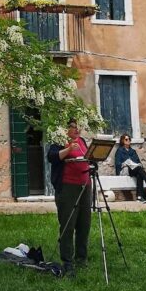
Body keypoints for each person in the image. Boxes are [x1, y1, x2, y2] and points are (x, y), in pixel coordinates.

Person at [46, 118, 91, 275]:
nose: (76, 129)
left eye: (77, 126)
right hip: (67, 187)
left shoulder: (83, 141)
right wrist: (68, 149)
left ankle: (82, 259)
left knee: (84, 224)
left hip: (85, 186)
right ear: (64, 129)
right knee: (68, 224)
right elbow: (52, 157)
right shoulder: (59, 141)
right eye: (72, 127)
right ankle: (67, 262)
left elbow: (89, 158)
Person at [114, 133, 146, 203]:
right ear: (122, 141)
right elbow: (118, 164)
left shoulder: (133, 151)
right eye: (126, 139)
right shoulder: (120, 150)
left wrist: (139, 164)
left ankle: (139, 197)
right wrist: (125, 163)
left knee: (139, 172)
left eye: (129, 139)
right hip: (125, 170)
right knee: (139, 169)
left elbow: (138, 162)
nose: (128, 141)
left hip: (135, 170)